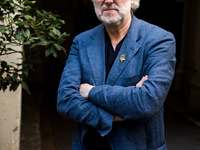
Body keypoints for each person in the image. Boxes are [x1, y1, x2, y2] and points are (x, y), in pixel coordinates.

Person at [57, 0, 176, 149]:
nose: (107, 1)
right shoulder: (82, 42)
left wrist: (91, 91)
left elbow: (146, 102)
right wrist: (112, 117)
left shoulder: (159, 40)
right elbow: (65, 100)